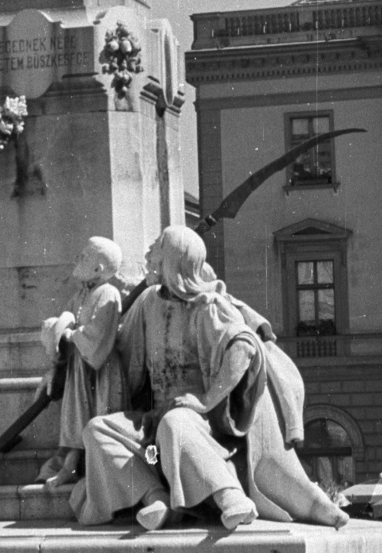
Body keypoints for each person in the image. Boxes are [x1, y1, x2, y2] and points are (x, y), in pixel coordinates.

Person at [72, 225, 350, 532]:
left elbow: (242, 348)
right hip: (153, 430)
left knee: (175, 423)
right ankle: (155, 496)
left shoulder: (207, 307)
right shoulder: (149, 302)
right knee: (98, 431)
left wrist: (205, 401)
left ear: (174, 261)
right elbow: (117, 349)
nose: (149, 257)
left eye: (157, 251)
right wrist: (71, 345)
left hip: (206, 425)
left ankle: (230, 496)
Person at [38, 236, 126, 489]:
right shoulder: (79, 295)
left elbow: (98, 333)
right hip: (79, 367)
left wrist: (69, 334)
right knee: (76, 415)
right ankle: (70, 465)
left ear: (98, 269)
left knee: (98, 414)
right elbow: (66, 322)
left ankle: (92, 468)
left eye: (84, 256)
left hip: (100, 370)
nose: (77, 259)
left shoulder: (108, 294)